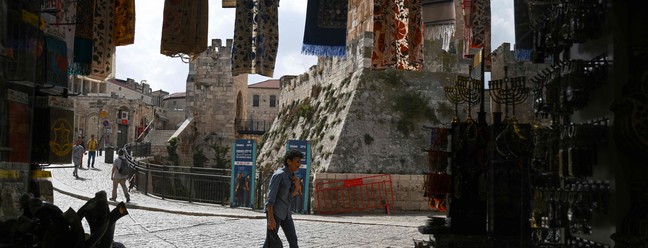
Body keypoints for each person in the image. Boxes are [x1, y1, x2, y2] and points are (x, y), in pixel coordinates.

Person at [264, 149, 304, 248]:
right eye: (297, 161)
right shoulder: (279, 175)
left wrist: (297, 186)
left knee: (293, 241)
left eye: (300, 162)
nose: (299, 164)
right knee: (270, 243)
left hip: (286, 214)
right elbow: (270, 197)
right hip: (275, 213)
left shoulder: (292, 176)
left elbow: (290, 197)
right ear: (289, 161)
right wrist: (270, 219)